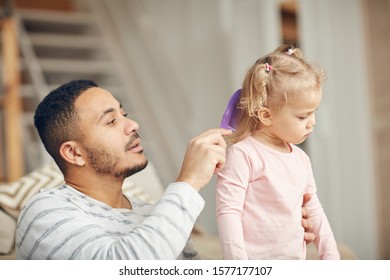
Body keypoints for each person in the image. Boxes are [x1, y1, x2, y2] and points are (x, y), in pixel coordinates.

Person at [16, 79, 314, 260]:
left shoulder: (152, 213)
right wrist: (187, 183)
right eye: (111, 121)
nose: (132, 124)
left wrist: (272, 235)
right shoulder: (45, 211)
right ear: (73, 153)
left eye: (125, 114)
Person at [216, 45, 340, 260]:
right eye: (303, 116)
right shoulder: (244, 155)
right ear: (266, 115)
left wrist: (330, 254)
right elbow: (229, 212)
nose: (312, 123)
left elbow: (314, 207)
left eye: (314, 113)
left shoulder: (301, 159)